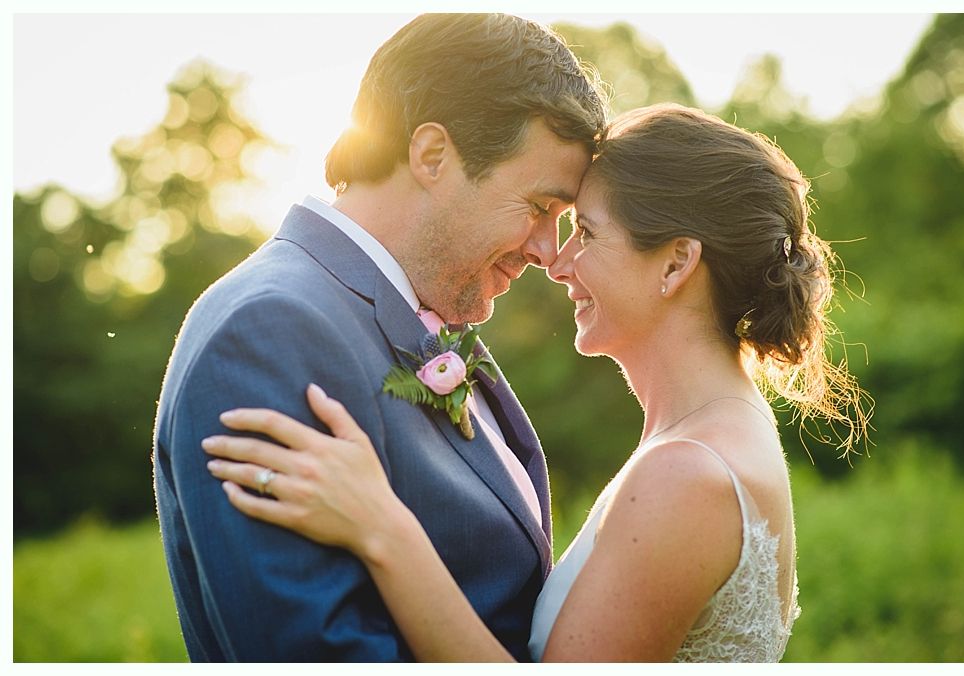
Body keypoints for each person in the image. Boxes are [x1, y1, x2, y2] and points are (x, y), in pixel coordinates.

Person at [202, 103, 872, 662]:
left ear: (675, 265)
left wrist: (382, 528)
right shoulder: (714, 433)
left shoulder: (687, 475)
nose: (556, 260)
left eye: (585, 230)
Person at [152, 13, 608, 661]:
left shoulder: (417, 308)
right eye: (540, 209)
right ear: (431, 155)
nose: (547, 251)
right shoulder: (267, 331)